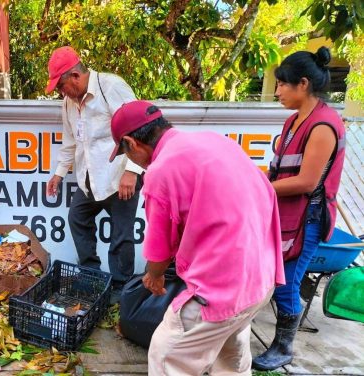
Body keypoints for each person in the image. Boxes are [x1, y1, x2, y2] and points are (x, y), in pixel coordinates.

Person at [109, 100, 285, 375]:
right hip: (261, 279)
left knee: (167, 353)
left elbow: (159, 250)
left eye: (123, 153)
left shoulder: (161, 170)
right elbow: (266, 193)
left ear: (131, 143)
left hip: (220, 290)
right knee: (230, 356)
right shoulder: (215, 141)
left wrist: (153, 276)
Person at [252, 47, 346, 371]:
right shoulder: (295, 120)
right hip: (287, 213)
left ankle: (284, 347)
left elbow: (307, 182)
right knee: (279, 275)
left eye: (282, 84)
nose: (277, 91)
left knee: (287, 280)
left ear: (302, 84)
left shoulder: (322, 126)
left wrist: (259, 187)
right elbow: (282, 170)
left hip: (308, 217)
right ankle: (281, 340)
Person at [45, 46, 143, 288]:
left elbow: (138, 128)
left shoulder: (111, 87)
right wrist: (58, 174)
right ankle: (91, 277)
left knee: (121, 236)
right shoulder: (69, 102)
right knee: (77, 217)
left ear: (75, 77)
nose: (60, 92)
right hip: (89, 179)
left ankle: (121, 290)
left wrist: (132, 171)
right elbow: (70, 142)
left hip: (119, 176)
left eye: (61, 86)